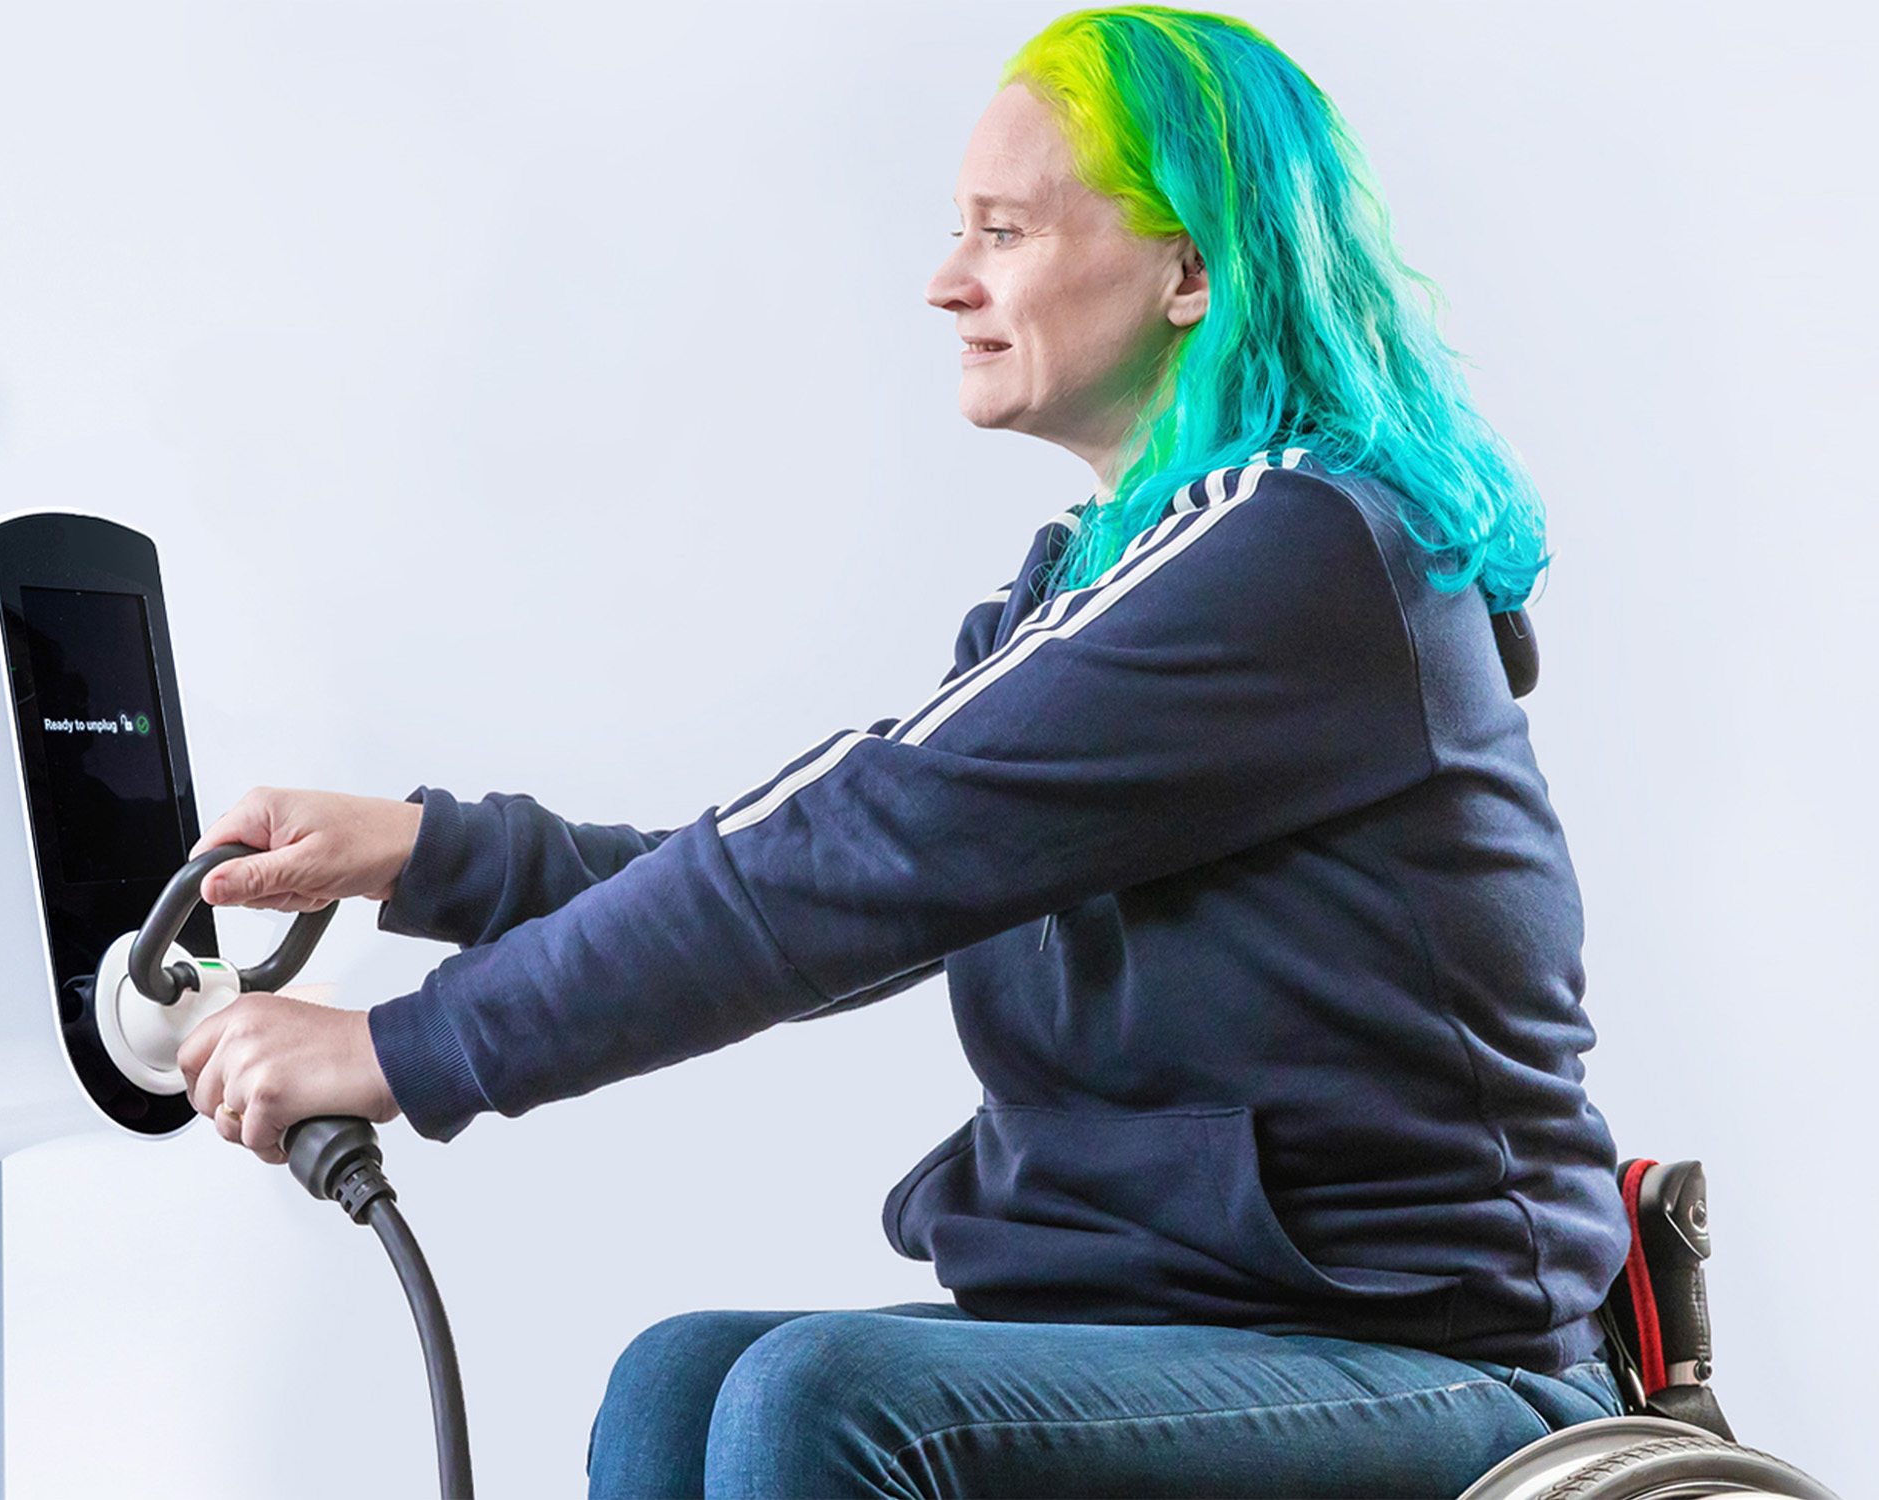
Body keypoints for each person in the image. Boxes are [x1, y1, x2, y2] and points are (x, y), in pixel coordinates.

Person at [175, 8, 1631, 1496]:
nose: (946, 283)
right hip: (1164, 1332)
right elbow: (850, 867)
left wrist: (403, 1051)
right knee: (681, 1385)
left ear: (1191, 267)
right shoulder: (1101, 584)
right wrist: (435, 856)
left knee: (827, 1404)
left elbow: (860, 851)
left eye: (1003, 231)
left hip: (1443, 1366)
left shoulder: (1303, 554)